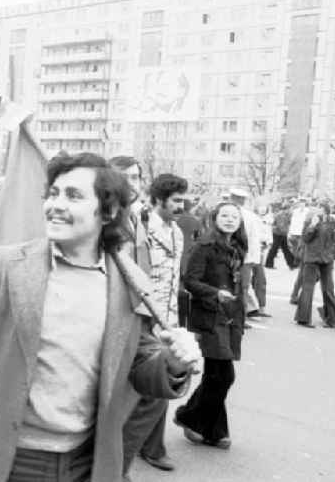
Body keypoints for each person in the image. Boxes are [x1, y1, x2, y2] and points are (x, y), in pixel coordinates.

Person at [0, 152, 200, 482]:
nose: (56, 204)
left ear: (109, 211)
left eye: (73, 196)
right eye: (54, 193)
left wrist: (172, 362)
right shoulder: (9, 267)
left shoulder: (128, 281)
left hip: (86, 463)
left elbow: (139, 368)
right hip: (10, 459)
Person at [123, 174, 186, 477]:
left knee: (161, 386)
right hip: (141, 314)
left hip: (167, 318)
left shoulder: (178, 232)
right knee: (152, 388)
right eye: (175, 200)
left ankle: (151, 446)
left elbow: (176, 279)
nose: (181, 206)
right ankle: (124, 452)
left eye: (183, 200)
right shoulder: (141, 225)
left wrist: (173, 320)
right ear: (159, 199)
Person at [175, 201, 247, 450]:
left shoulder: (236, 248)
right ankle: (189, 416)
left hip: (230, 317)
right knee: (223, 375)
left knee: (216, 375)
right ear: (214, 218)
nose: (229, 220)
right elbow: (190, 281)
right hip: (210, 315)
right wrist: (215, 293)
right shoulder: (204, 246)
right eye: (224, 215)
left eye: (234, 216)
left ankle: (213, 430)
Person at [294, 203, 335, 328]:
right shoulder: (310, 221)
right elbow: (305, 239)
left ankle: (332, 319)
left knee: (328, 289)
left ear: (326, 211)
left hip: (327, 259)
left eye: (320, 210)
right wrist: (312, 226)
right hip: (311, 258)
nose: (317, 212)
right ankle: (303, 319)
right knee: (308, 288)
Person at [229, 188, 270, 319]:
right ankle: (240, 315)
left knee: (239, 287)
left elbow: (253, 239)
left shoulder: (246, 216)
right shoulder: (251, 216)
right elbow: (255, 240)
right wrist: (254, 259)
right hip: (244, 257)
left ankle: (238, 315)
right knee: (242, 287)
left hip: (238, 256)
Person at [265, 202, 295, 270]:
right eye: (290, 209)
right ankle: (269, 264)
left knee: (284, 248)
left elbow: (288, 223)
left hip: (281, 233)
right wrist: (287, 232)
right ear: (287, 209)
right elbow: (281, 226)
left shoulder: (287, 214)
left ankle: (292, 263)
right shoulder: (281, 215)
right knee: (275, 248)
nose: (291, 210)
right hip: (278, 233)